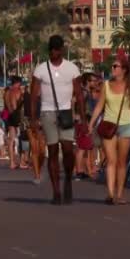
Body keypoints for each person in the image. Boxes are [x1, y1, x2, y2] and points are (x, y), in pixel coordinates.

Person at [30, 35, 85, 205]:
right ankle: (56, 191)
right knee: (52, 151)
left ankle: (68, 178)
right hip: (48, 113)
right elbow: (33, 97)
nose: (54, 52)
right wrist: (33, 119)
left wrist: (82, 117)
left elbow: (80, 95)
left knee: (68, 150)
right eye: (51, 49)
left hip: (66, 112)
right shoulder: (40, 70)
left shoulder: (72, 69)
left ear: (62, 49)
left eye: (57, 49)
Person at [89, 58, 130, 205]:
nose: (112, 68)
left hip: (127, 125)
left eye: (115, 66)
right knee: (111, 160)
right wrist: (91, 123)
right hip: (108, 125)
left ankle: (119, 194)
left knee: (121, 161)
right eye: (112, 66)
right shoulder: (106, 85)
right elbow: (100, 105)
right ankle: (111, 193)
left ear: (123, 69)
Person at [75, 73, 100, 180]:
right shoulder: (84, 93)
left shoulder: (86, 93)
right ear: (87, 82)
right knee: (81, 148)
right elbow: (75, 103)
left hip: (85, 121)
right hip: (83, 122)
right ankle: (79, 171)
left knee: (85, 147)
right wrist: (78, 117)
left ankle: (83, 170)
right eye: (93, 81)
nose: (95, 82)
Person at [23, 83, 46, 184]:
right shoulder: (27, 97)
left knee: (42, 152)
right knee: (35, 149)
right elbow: (26, 113)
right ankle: (36, 175)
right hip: (30, 123)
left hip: (43, 124)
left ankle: (38, 169)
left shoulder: (45, 97)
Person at [5, 76, 24, 169]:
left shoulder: (7, 92)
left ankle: (12, 162)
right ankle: (22, 161)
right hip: (16, 115)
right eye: (20, 83)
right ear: (17, 83)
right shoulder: (16, 91)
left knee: (11, 139)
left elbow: (8, 105)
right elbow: (14, 105)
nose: (20, 85)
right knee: (21, 138)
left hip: (9, 116)